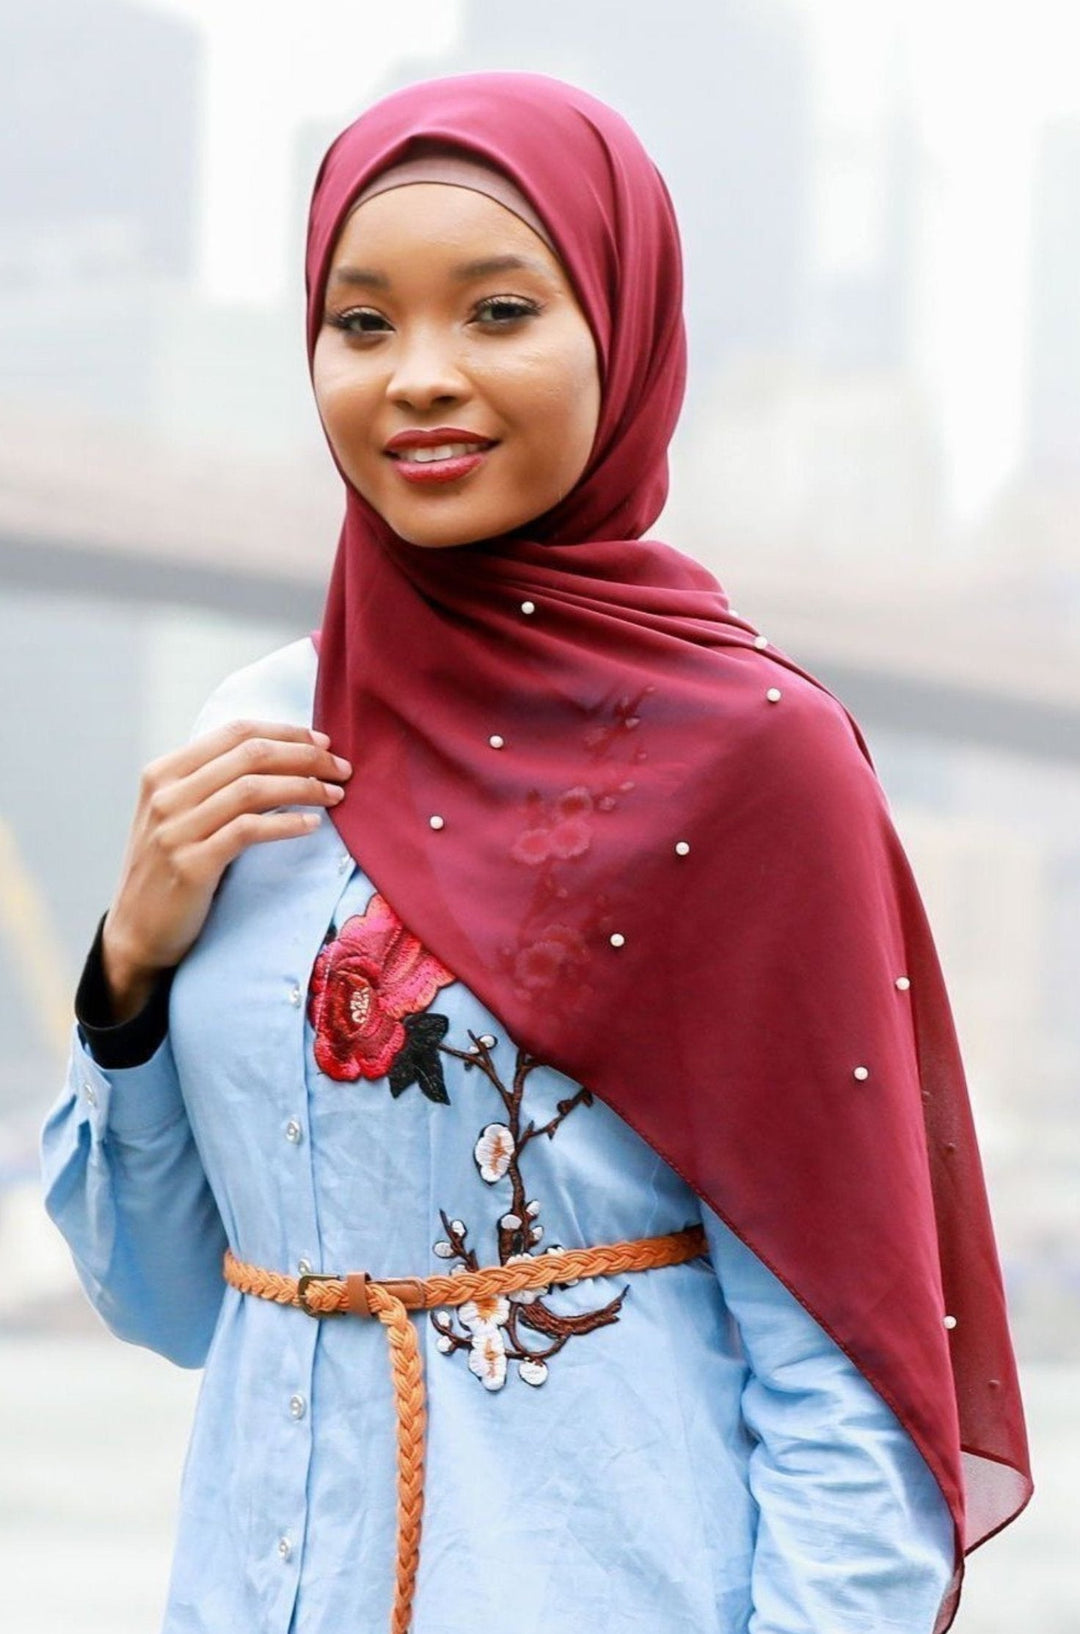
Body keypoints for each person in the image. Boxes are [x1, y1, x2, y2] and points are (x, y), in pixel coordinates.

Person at [41, 70, 1031, 1634]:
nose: (418, 377)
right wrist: (128, 977)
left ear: (626, 335)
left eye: (497, 311)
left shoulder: (755, 760)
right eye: (362, 324)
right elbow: (166, 1301)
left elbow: (852, 1395)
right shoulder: (255, 741)